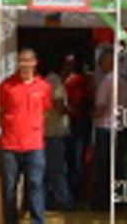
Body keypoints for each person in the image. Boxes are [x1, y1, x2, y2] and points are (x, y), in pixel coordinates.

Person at [0, 48, 52, 224]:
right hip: (10, 145)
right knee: (9, 188)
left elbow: (46, 111)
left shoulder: (44, 86)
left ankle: (37, 221)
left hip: (34, 145)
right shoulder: (6, 86)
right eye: (21, 61)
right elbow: (1, 111)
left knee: (35, 185)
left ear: (35, 63)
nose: (25, 65)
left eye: (28, 61)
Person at [92, 48, 127, 211]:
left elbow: (101, 107)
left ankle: (102, 203)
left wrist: (91, 115)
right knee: (117, 166)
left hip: (106, 127)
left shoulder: (106, 81)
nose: (100, 65)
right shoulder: (123, 80)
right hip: (121, 126)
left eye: (102, 61)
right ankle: (118, 200)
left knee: (103, 167)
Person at [58, 54, 90, 203]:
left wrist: (71, 110)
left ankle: (76, 195)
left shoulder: (79, 80)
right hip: (60, 126)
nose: (68, 66)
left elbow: (83, 102)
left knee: (76, 160)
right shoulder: (58, 80)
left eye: (71, 63)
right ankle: (63, 195)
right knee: (61, 160)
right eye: (66, 63)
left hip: (77, 124)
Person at [43, 70, 72, 211]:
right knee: (57, 169)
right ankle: (63, 200)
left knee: (49, 169)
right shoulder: (54, 80)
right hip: (53, 132)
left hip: (48, 131)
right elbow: (58, 105)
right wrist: (69, 110)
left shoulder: (43, 81)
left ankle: (52, 200)